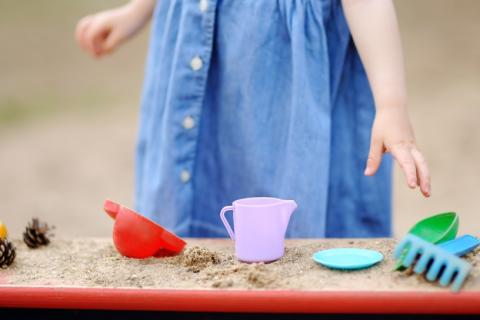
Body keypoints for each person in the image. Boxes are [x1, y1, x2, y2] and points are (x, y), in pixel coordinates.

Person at [76, 0, 431, 238]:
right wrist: (137, 12)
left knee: (292, 247)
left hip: (286, 85)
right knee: (190, 252)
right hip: (196, 52)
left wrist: (391, 104)